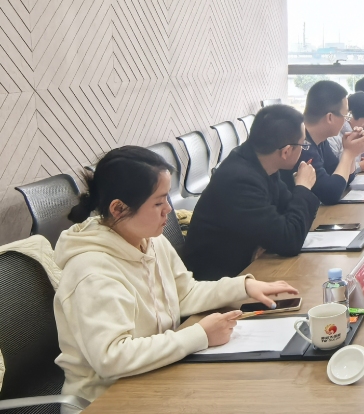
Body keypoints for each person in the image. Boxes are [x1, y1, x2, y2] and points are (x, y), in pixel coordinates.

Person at [53, 146, 298, 402]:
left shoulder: (150, 240)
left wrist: (243, 287)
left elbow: (184, 293)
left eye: (167, 199)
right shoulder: (91, 271)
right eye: (158, 202)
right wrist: (199, 335)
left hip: (154, 378)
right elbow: (112, 358)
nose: (168, 210)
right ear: (118, 209)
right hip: (106, 400)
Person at [182, 105, 321, 280]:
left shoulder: (261, 162)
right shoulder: (239, 180)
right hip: (218, 281)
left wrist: (275, 237)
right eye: (303, 144)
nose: (303, 149)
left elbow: (289, 218)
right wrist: (303, 188)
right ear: (286, 151)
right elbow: (290, 240)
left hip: (245, 268)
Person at [285, 80, 364, 205]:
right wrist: (349, 153)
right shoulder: (302, 145)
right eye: (345, 116)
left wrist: (352, 149)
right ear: (330, 117)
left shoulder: (320, 140)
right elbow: (330, 194)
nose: (346, 121)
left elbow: (344, 180)